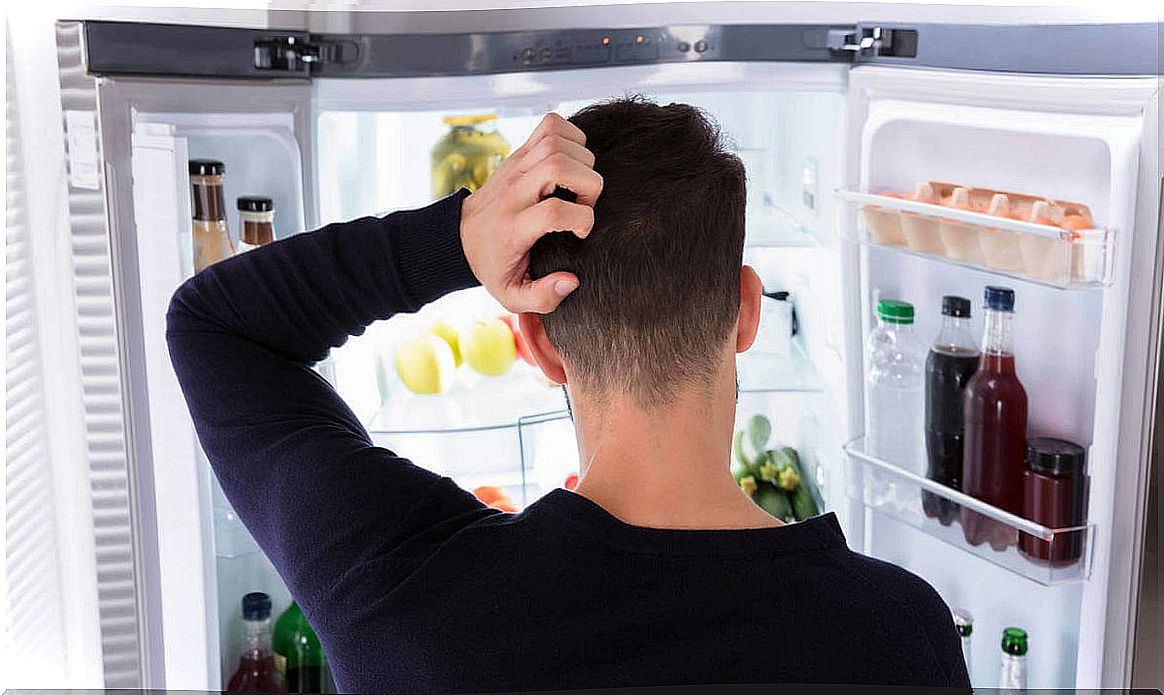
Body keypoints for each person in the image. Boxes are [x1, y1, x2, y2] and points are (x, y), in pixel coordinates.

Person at [167, 99, 970, 693]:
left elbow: (216, 327)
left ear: (535, 341)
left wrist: (457, 237)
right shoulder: (902, 634)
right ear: (748, 310)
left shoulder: (411, 606)